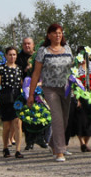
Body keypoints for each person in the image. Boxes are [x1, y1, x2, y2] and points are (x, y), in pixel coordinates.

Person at [27, 23, 73, 162]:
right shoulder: (43, 51)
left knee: (64, 120)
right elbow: (36, 73)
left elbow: (73, 69)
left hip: (65, 88)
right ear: (49, 35)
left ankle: (53, 144)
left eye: (60, 33)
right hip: (50, 88)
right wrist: (31, 94)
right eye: (54, 33)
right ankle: (60, 151)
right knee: (57, 118)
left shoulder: (67, 49)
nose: (58, 35)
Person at [0, 47, 25, 159]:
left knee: (17, 123)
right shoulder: (1, 68)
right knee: (7, 125)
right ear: (6, 56)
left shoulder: (19, 69)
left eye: (14, 55)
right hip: (5, 96)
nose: (12, 57)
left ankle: (18, 149)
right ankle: (5, 147)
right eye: (10, 55)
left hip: (17, 97)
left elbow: (22, 83)